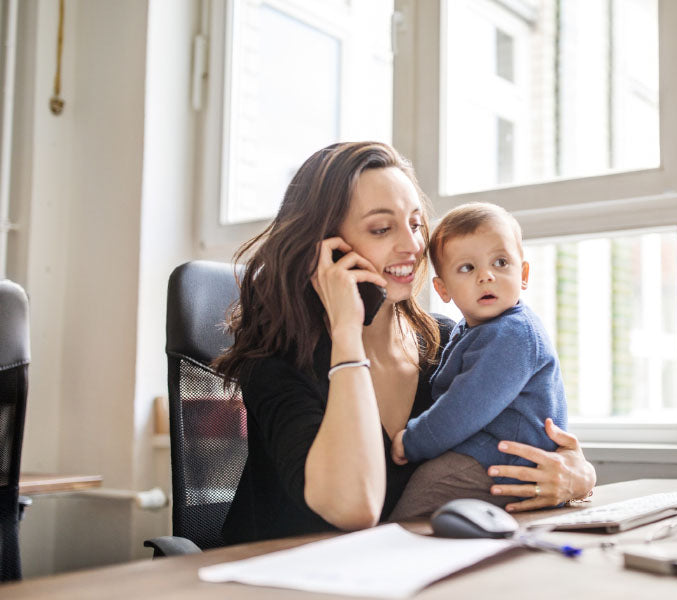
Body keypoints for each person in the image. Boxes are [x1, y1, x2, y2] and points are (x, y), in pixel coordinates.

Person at [213, 141, 595, 544]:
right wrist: (346, 332)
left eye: (415, 224)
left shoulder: (448, 342)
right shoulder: (277, 362)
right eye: (381, 228)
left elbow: (538, 438)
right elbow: (354, 508)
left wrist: (577, 476)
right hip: (281, 581)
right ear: (325, 249)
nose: (413, 246)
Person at [388, 202, 567, 520]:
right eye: (467, 268)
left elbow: (464, 406)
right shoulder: (470, 330)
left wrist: (413, 442)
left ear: (523, 274)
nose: (486, 276)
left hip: (502, 462)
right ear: (443, 289)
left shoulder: (512, 334)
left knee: (409, 515)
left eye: (500, 262)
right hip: (493, 458)